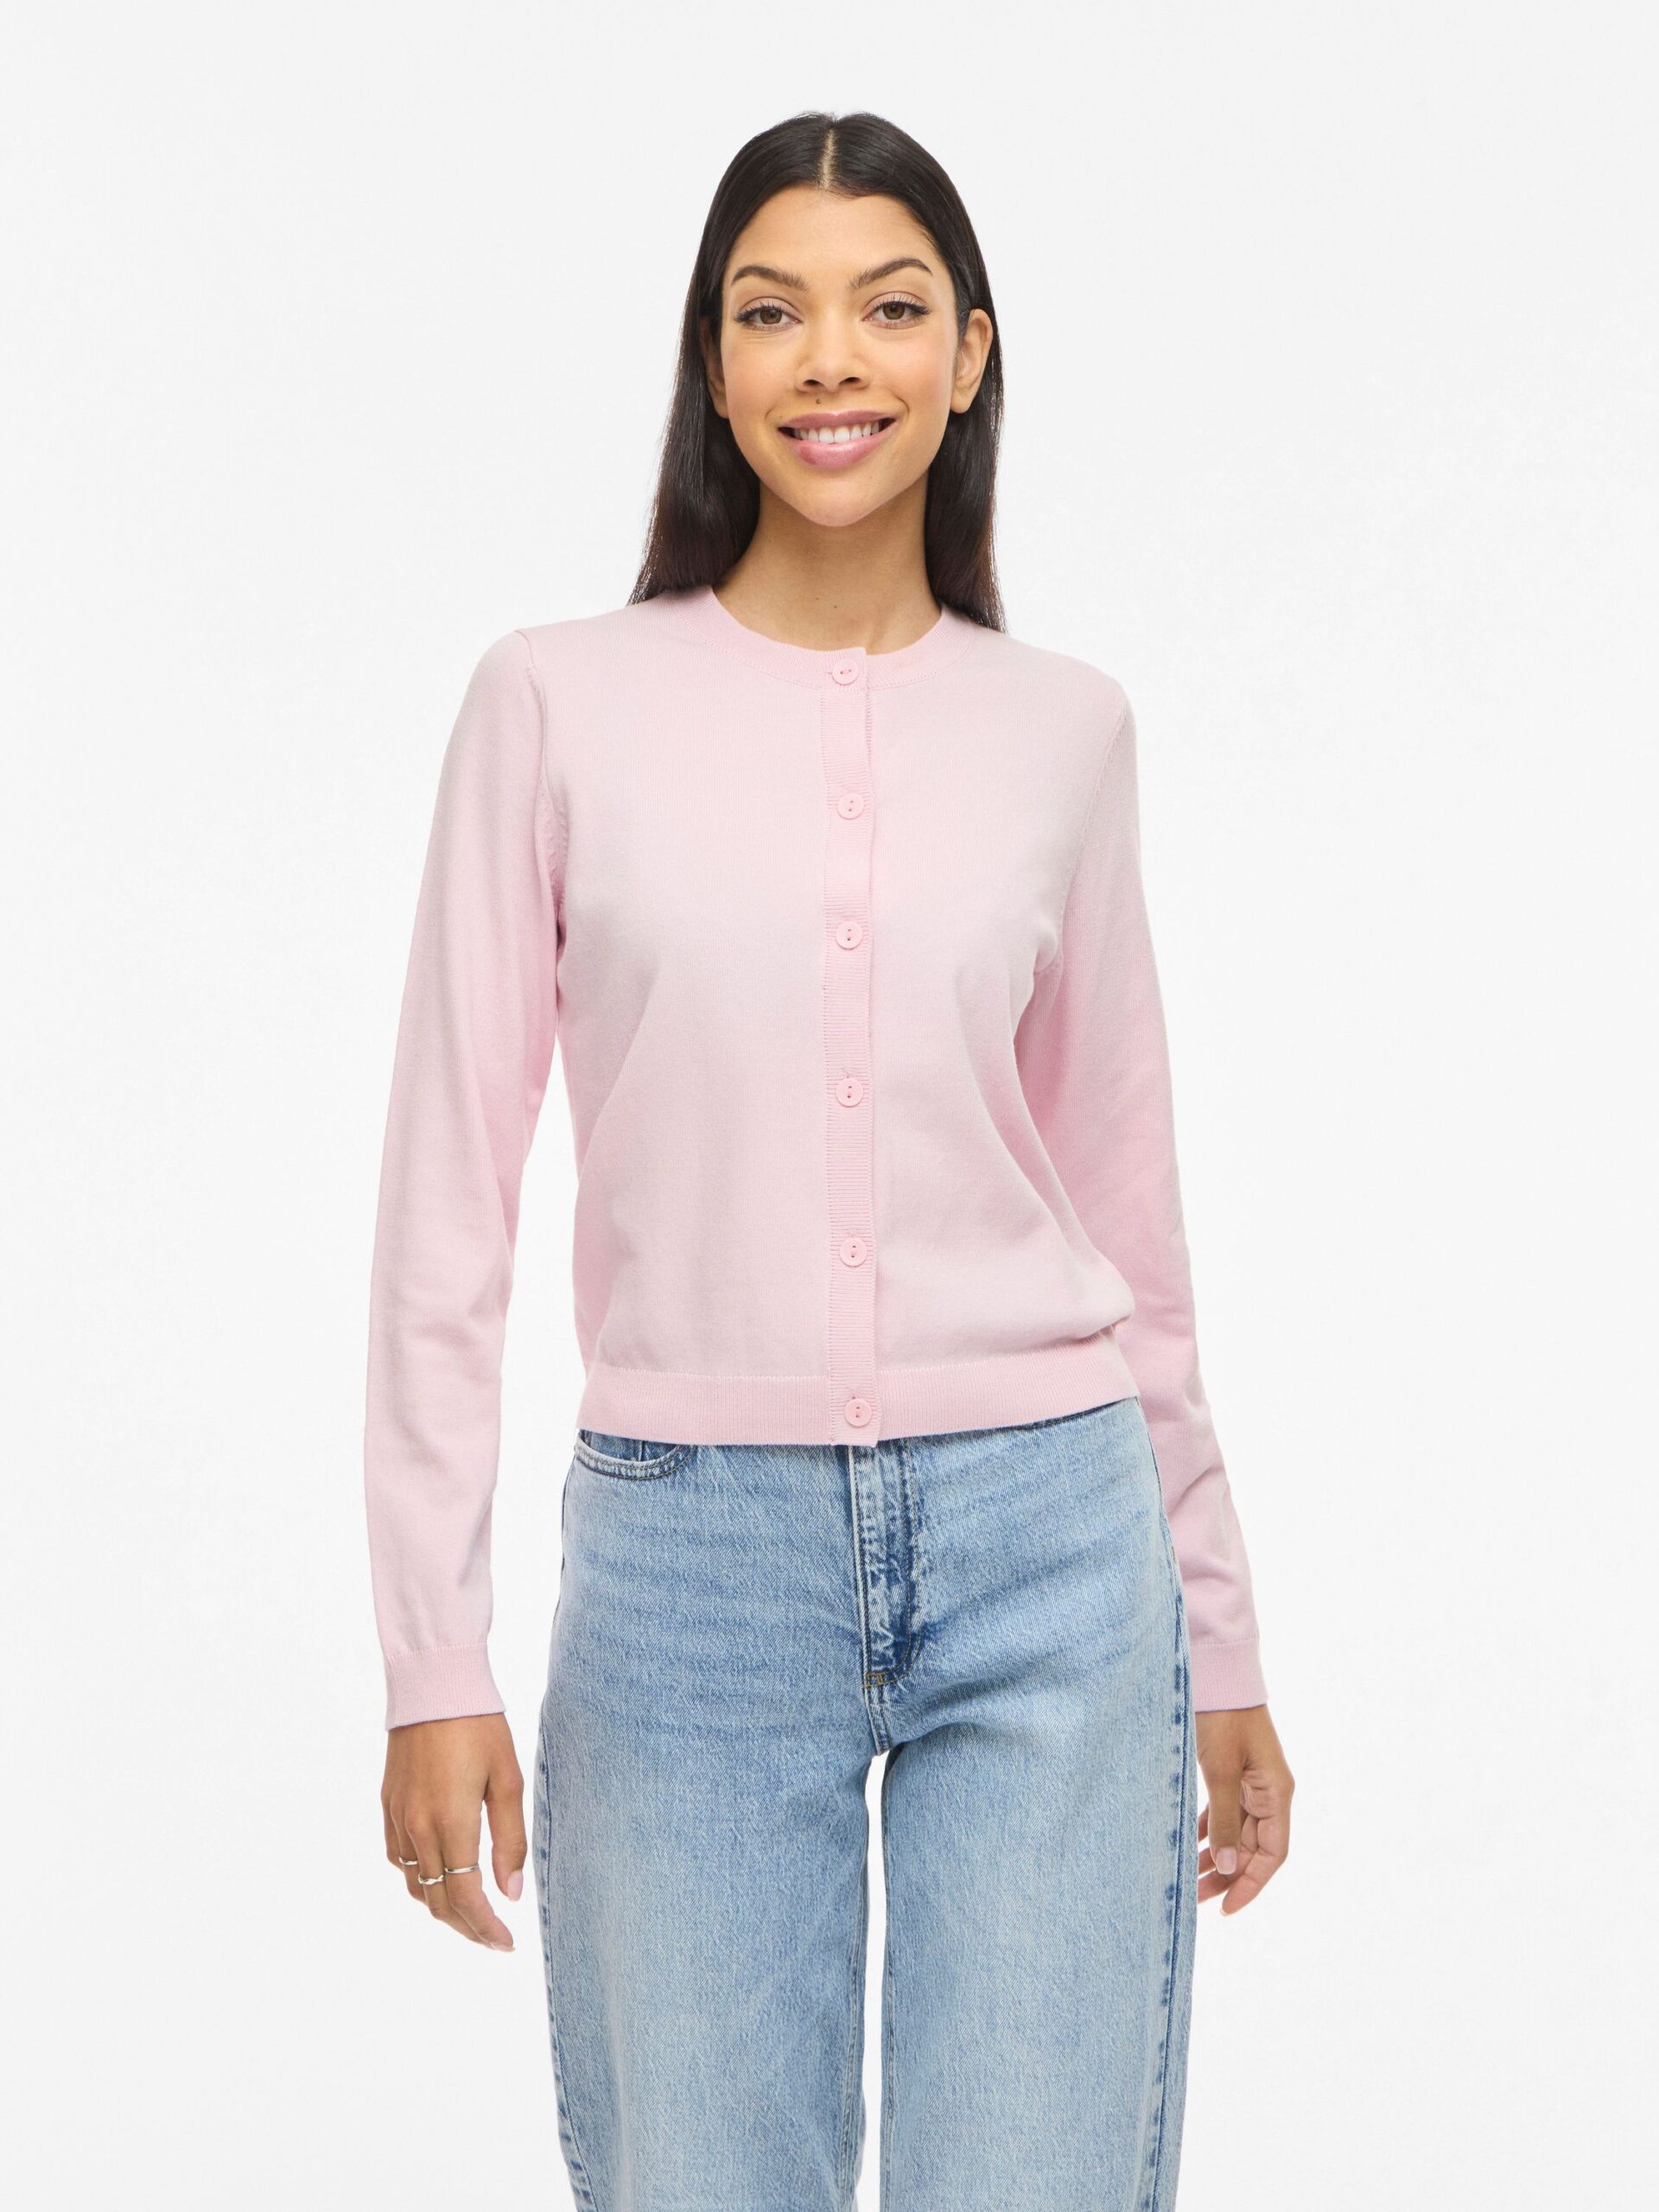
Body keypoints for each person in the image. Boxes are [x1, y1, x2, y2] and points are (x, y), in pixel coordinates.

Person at [365, 107, 1294, 2212]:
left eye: (888, 308)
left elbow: (1130, 1221)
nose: (831, 361)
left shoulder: (1065, 729)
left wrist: (1221, 1631)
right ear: (713, 367)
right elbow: (443, 1215)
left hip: (1056, 1541)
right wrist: (432, 1651)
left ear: (971, 352)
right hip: (688, 1565)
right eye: (770, 312)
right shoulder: (553, 704)